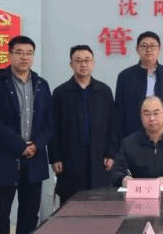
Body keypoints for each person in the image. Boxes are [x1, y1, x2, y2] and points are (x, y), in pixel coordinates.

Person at [0, 35, 53, 234]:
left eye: (29, 53)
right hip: (5, 159)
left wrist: (36, 145)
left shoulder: (42, 85)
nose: (24, 57)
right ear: (9, 55)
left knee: (30, 216)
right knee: (0, 216)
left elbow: (50, 123)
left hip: (34, 159)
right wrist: (20, 146)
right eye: (19, 52)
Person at [49, 45, 117, 204]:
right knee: (71, 204)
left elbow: (113, 125)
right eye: (78, 61)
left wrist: (111, 153)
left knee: (99, 203)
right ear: (71, 64)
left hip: (99, 158)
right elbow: (53, 128)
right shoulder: (60, 93)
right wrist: (55, 157)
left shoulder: (104, 91)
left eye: (87, 60)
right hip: (70, 158)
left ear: (93, 63)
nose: (83, 64)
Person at [111, 96, 163, 186]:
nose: (152, 118)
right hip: (140, 192)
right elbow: (115, 172)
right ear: (140, 117)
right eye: (146, 114)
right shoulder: (129, 143)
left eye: (156, 113)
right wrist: (122, 179)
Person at [114, 31, 163, 143]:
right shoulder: (125, 76)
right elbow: (119, 112)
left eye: (153, 46)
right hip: (133, 136)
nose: (148, 50)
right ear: (137, 49)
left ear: (159, 50)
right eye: (144, 46)